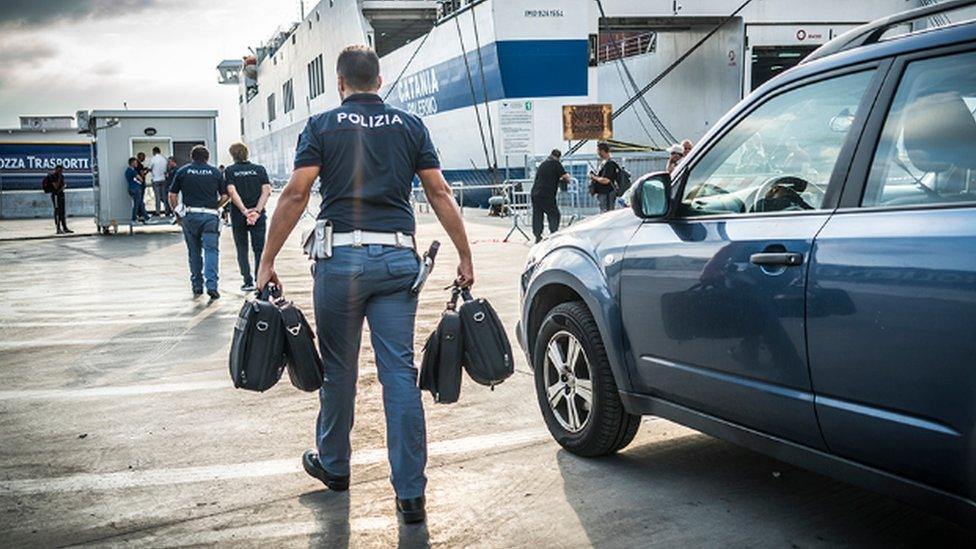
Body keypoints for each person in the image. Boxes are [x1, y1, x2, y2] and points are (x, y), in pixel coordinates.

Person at [256, 44, 474, 525]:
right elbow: (438, 191)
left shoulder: (321, 125)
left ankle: (334, 466)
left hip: (340, 262)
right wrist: (464, 252)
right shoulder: (410, 125)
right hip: (398, 259)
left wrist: (267, 260)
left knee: (340, 370)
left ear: (340, 83)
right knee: (398, 371)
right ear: (378, 81)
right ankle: (411, 494)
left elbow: (296, 193)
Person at [168, 145, 228, 299]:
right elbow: (226, 196)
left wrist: (178, 213)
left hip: (190, 215)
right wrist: (216, 206)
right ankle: (212, 286)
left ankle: (197, 285)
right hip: (210, 216)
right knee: (211, 251)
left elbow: (172, 195)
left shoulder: (183, 171)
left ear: (191, 157)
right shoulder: (215, 172)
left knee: (194, 252)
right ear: (207, 157)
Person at [224, 143, 271, 292]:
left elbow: (232, 192)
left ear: (232, 155)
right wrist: (256, 211)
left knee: (242, 249)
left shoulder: (230, 171)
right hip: (258, 215)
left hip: (239, 215)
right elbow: (266, 191)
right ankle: (260, 280)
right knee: (259, 249)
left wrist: (244, 211)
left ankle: (247, 281)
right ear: (247, 153)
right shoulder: (259, 169)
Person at [531, 149, 570, 243]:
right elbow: (566, 177)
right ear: (558, 157)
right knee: (554, 214)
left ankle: (537, 236)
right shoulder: (556, 164)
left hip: (535, 193)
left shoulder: (543, 164)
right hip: (547, 194)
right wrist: (566, 178)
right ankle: (553, 234)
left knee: (537, 215)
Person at [589, 142, 619, 212]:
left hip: (607, 193)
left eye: (598, 151)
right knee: (604, 212)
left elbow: (606, 180)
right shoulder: (604, 162)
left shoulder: (610, 164)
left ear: (602, 151)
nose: (598, 153)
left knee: (607, 213)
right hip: (603, 193)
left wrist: (594, 177)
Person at [43, 164, 72, 234]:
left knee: (62, 212)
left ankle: (65, 228)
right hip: (55, 195)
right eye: (60, 170)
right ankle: (58, 228)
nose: (61, 171)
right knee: (57, 212)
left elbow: (63, 185)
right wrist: (59, 178)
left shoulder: (62, 176)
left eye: (62, 170)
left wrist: (63, 186)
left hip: (61, 194)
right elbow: (56, 187)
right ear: (56, 169)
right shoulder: (52, 176)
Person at [125, 157, 149, 223]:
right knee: (137, 204)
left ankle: (146, 217)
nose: (137, 164)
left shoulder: (127, 171)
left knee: (140, 203)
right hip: (136, 189)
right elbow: (140, 179)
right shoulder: (132, 171)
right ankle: (134, 219)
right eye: (135, 163)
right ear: (132, 163)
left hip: (131, 188)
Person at [148, 146, 169, 216]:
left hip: (156, 180)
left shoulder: (153, 159)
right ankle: (167, 211)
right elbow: (167, 169)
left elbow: (149, 168)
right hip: (163, 179)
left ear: (154, 152)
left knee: (157, 197)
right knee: (165, 196)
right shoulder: (164, 159)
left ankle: (158, 212)